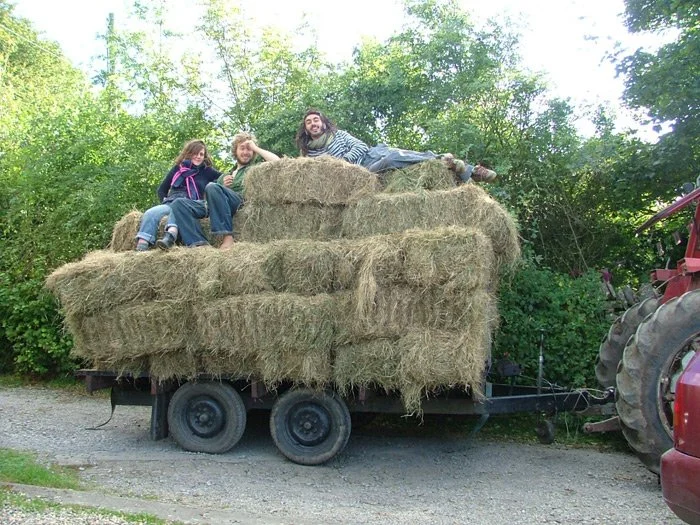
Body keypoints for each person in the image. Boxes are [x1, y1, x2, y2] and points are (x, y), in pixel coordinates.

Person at [295, 109, 497, 182]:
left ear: (322, 122)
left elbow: (361, 146)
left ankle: (458, 166)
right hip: (363, 171)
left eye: (315, 120)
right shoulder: (310, 154)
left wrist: (341, 162)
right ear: (306, 128)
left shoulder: (338, 134)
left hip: (371, 154)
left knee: (402, 153)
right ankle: (458, 167)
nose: (313, 123)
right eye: (309, 122)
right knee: (392, 159)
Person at [162, 132, 280, 250]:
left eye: (249, 149)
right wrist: (223, 186)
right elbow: (210, 194)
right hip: (213, 205)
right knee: (179, 204)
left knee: (212, 187)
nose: (245, 152)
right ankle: (198, 243)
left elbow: (278, 162)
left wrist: (255, 147)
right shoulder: (225, 175)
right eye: (242, 148)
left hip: (239, 201)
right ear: (235, 151)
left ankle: (228, 237)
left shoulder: (254, 169)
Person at [135, 140, 222, 251]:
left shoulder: (207, 171)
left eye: (201, 154)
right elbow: (161, 190)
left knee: (179, 206)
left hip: (191, 204)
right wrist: (165, 203)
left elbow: (223, 179)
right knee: (150, 213)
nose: (198, 157)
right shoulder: (177, 169)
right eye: (196, 153)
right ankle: (142, 244)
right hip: (171, 202)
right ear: (189, 153)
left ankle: (170, 236)